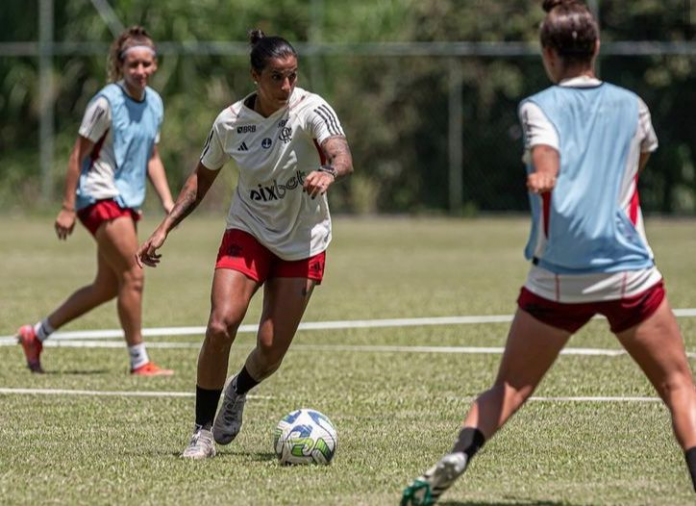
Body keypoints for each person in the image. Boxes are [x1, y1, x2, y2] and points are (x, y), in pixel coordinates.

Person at [401, 1, 696, 503]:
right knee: (678, 385)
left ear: (547, 53)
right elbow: (633, 159)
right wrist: (564, 175)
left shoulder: (537, 105)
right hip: (627, 272)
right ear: (596, 47)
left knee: (510, 388)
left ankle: (462, 452)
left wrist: (547, 176)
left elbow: (546, 151)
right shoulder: (634, 105)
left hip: (557, 277)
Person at [136, 29, 353, 459]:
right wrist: (164, 228)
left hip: (303, 241)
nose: (287, 86)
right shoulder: (230, 123)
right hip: (248, 230)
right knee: (221, 325)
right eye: (277, 77)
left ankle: (238, 388)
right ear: (255, 76)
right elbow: (200, 180)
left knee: (270, 351)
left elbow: (341, 152)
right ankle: (201, 432)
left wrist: (329, 171)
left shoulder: (311, 109)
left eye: (292, 75)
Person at [16, 26, 174, 376]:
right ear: (121, 65)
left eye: (147, 63)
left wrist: (167, 200)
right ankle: (140, 362)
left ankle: (35, 335)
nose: (141, 71)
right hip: (99, 194)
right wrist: (68, 206)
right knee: (134, 273)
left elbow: (152, 156)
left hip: (127, 200)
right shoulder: (106, 102)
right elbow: (77, 155)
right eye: (133, 64)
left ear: (155, 65)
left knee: (107, 286)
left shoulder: (155, 103)